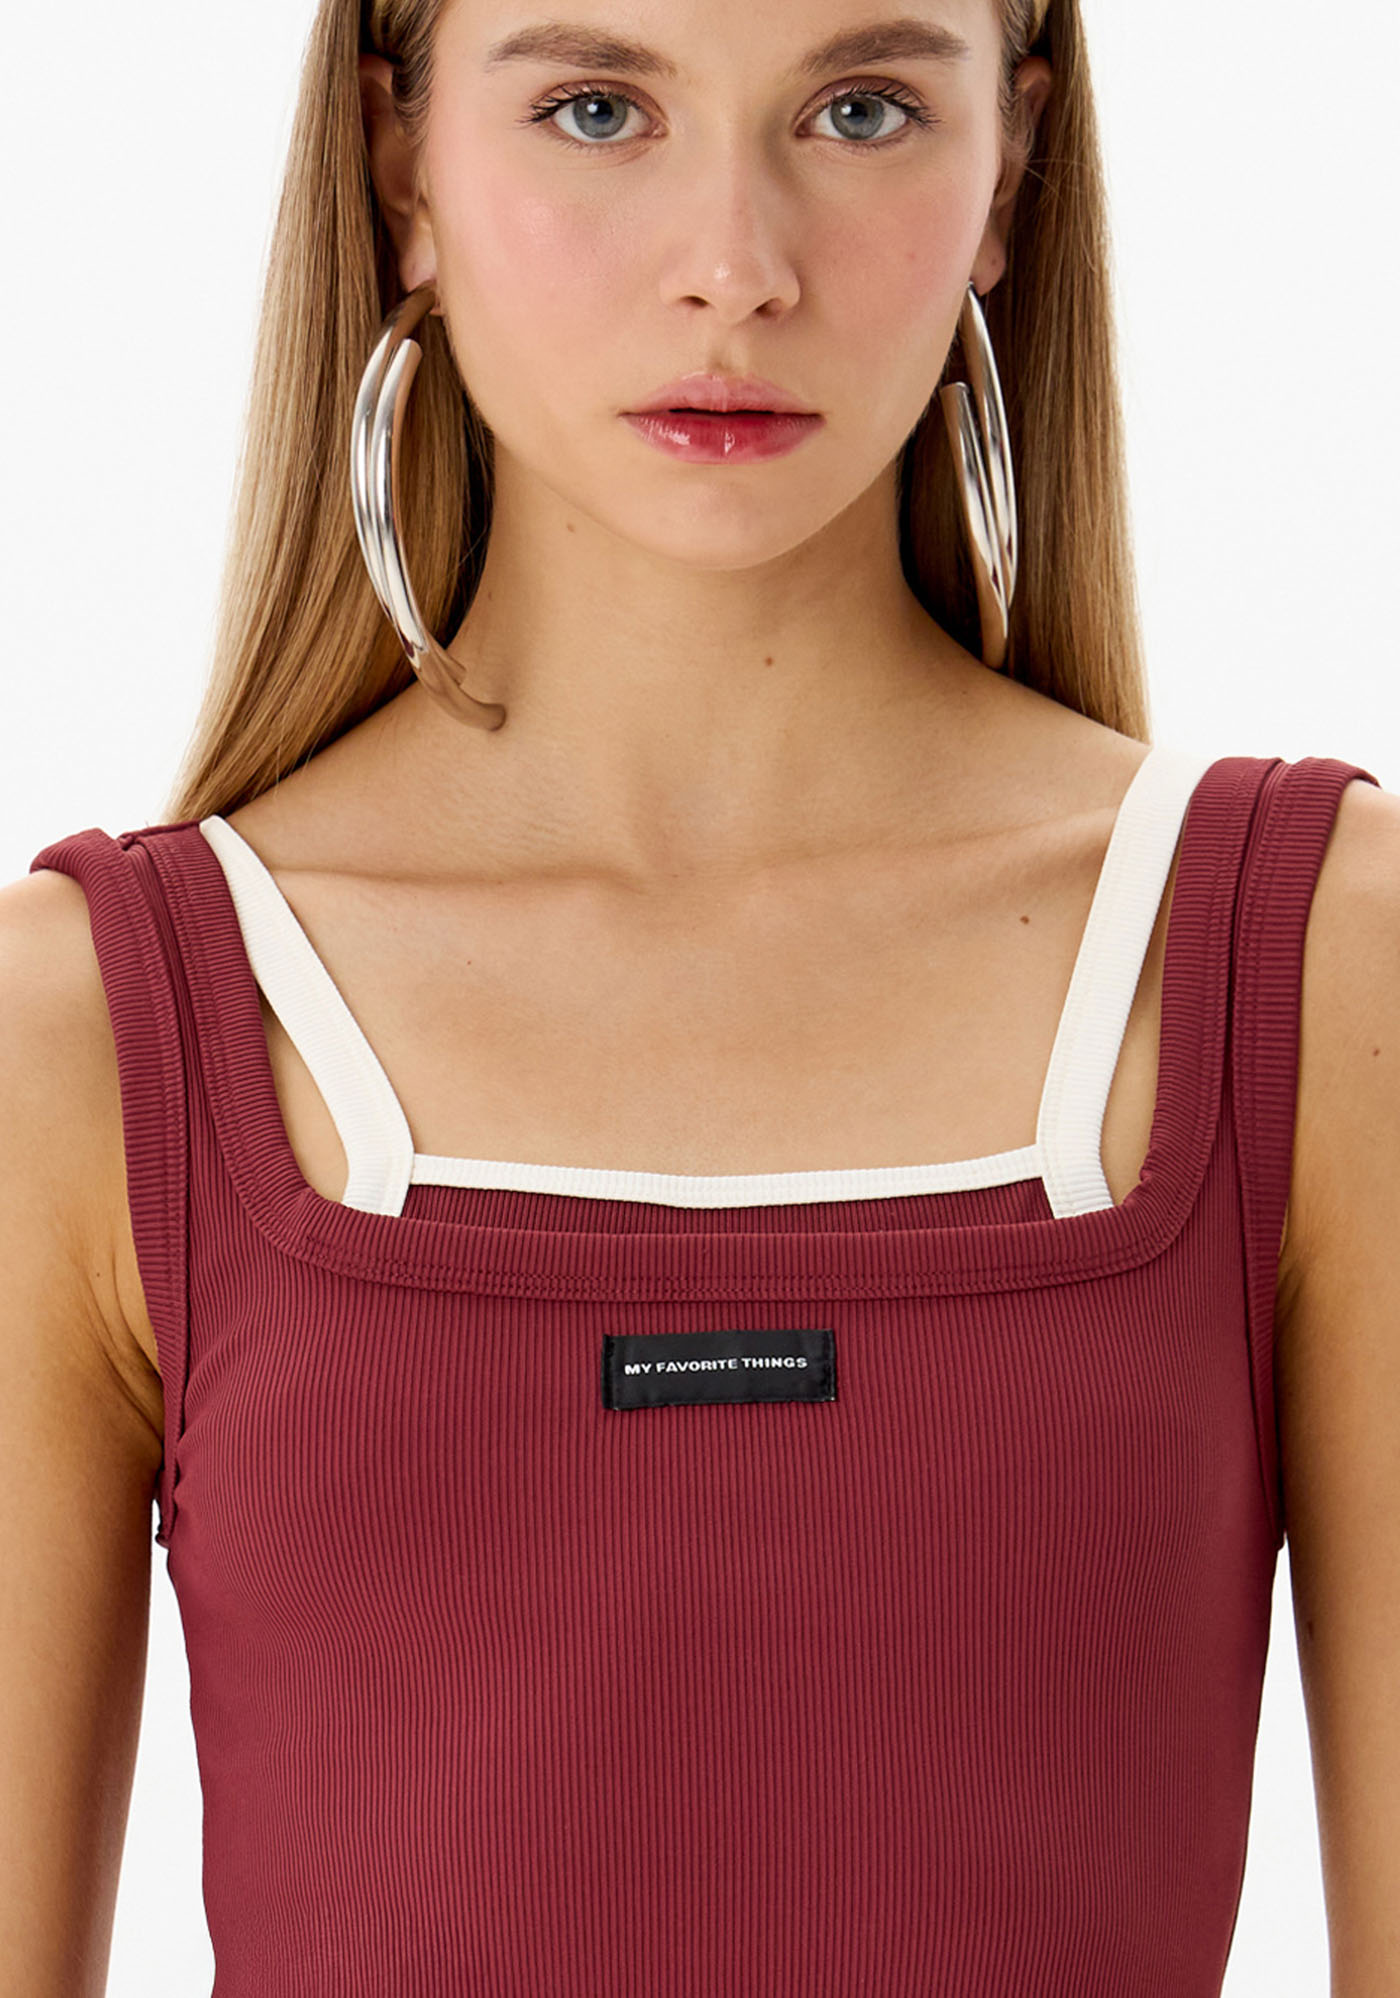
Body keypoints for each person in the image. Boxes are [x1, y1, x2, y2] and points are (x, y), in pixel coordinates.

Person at [2, 0, 1397, 1991]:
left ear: (1009, 165)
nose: (735, 266)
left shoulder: (1319, 965)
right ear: (400, 163)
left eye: (859, 109)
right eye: (597, 109)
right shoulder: (80, 1034)